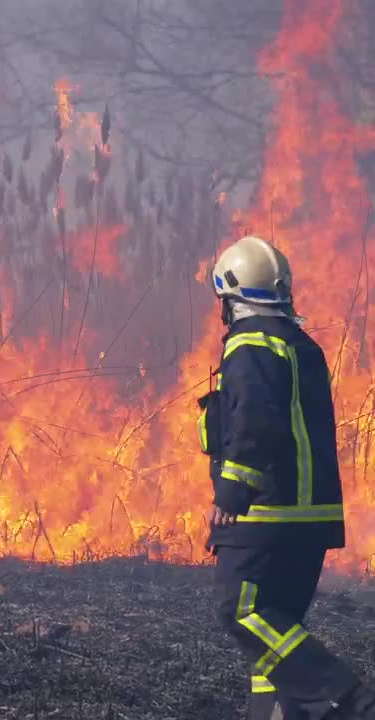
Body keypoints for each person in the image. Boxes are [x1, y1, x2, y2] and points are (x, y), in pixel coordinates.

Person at [199, 235, 375, 719]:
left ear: (230, 297)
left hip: (268, 514)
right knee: (276, 633)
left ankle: (351, 700)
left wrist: (231, 493)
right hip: (311, 520)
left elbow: (254, 422)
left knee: (241, 609)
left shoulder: (249, 345)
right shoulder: (303, 347)